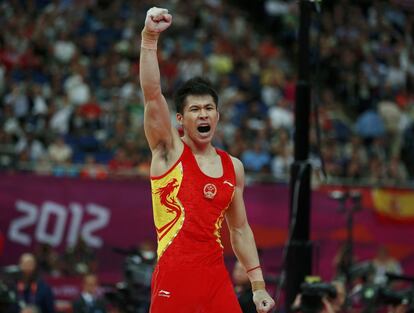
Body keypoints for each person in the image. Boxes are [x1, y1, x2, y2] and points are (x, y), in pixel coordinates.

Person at [140, 7, 275, 313]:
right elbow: (151, 94)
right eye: (195, 109)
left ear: (218, 115)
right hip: (174, 275)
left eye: (209, 108)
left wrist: (258, 286)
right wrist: (149, 38)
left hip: (215, 278)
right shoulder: (168, 151)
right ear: (179, 119)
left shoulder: (233, 167)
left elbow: (240, 230)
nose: (203, 114)